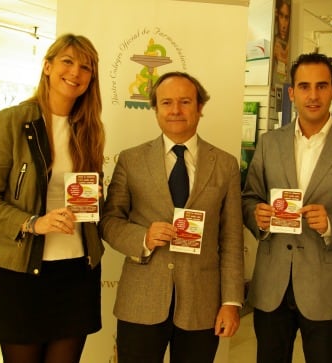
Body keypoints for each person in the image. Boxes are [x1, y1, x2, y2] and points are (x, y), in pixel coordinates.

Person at [0, 34, 105, 363]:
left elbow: (82, 195)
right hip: (20, 272)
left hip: (76, 270)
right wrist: (33, 223)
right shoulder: (12, 121)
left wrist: (97, 195)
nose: (76, 72)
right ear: (47, 66)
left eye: (85, 67)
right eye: (68, 62)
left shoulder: (89, 129)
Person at [242, 52, 332, 363]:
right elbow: (249, 196)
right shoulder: (269, 143)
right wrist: (257, 215)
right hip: (272, 284)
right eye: (304, 86)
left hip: (325, 286)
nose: (313, 95)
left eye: (322, 86)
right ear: (292, 93)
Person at [99, 71, 244, 363]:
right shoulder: (131, 159)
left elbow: (231, 239)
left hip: (201, 304)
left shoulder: (225, 164)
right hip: (141, 300)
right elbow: (110, 221)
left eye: (185, 102)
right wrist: (143, 238)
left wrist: (231, 302)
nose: (175, 110)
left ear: (200, 107)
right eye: (166, 103)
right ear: (155, 109)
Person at [273, 0, 290, 65]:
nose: (283, 25)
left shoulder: (292, 46)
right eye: (281, 16)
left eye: (286, 18)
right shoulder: (272, 43)